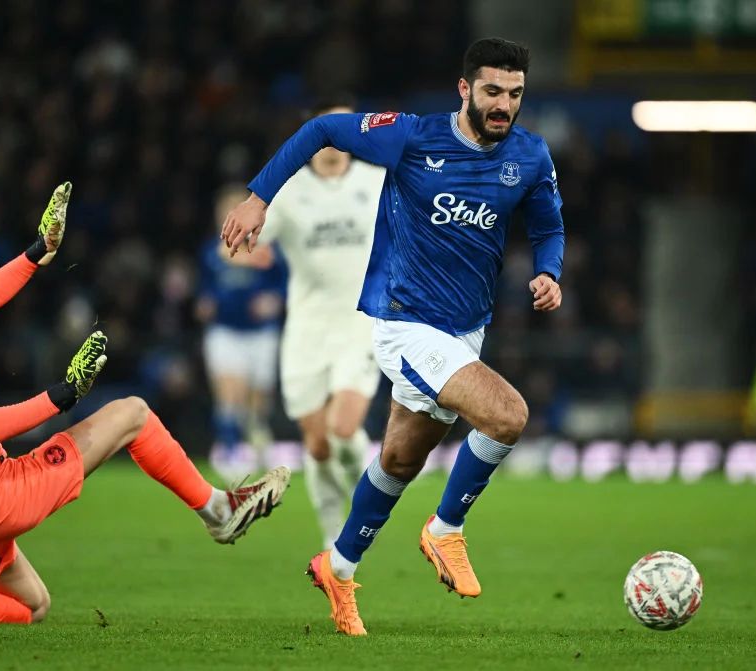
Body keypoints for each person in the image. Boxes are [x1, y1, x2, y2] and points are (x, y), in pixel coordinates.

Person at [223, 38, 564, 635]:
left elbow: (548, 224)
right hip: (404, 322)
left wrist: (548, 270)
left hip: (465, 332)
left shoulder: (530, 157)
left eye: (514, 94)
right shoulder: (410, 136)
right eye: (492, 91)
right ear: (465, 89)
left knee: (400, 460)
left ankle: (337, 565)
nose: (503, 104)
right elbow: (321, 130)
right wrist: (258, 199)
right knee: (507, 416)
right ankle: (446, 531)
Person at [0, 183, 291, 626]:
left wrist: (38, 251)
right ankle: (219, 512)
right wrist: (65, 393)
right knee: (132, 413)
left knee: (32, 606)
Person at [228, 98, 385, 551]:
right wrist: (240, 246)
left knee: (343, 426)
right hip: (307, 329)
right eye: (326, 131)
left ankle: (370, 489)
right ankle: (334, 532)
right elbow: (249, 233)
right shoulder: (290, 191)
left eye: (345, 130)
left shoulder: (376, 182)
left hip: (361, 321)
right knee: (316, 445)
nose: (335, 142)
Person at [197, 184, 287, 475]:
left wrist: (274, 300)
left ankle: (258, 440)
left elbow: (284, 285)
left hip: (261, 332)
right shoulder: (211, 253)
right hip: (225, 331)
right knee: (230, 392)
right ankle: (229, 452)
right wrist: (204, 303)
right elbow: (204, 289)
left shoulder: (266, 250)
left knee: (258, 400)